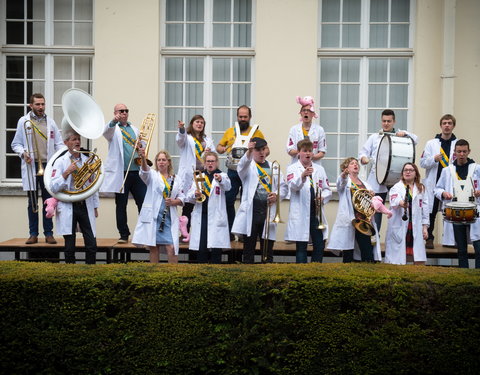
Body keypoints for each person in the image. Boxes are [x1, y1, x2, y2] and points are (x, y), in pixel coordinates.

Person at [11, 93, 64, 245]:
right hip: (31, 165)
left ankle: (49, 233)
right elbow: (16, 144)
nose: (41, 107)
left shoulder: (51, 122)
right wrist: (23, 153)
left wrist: (62, 158)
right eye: (37, 104)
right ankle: (33, 233)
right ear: (31, 106)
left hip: (48, 166)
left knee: (49, 201)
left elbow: (59, 144)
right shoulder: (24, 121)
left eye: (42, 104)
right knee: (32, 202)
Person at [359, 109, 418, 232]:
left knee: (398, 209)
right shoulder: (374, 137)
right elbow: (363, 153)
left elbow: (415, 139)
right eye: (384, 121)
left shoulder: (400, 135)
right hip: (377, 179)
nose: (386, 123)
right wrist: (364, 159)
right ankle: (375, 239)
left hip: (396, 180)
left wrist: (404, 133)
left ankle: (399, 238)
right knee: (375, 210)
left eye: (389, 121)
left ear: (394, 121)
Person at [231, 137, 288, 263]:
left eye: (263, 149)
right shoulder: (248, 166)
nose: (261, 153)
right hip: (252, 212)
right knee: (248, 250)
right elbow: (241, 166)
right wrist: (248, 152)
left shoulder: (274, 167)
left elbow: (283, 187)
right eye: (258, 150)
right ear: (252, 151)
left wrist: (277, 195)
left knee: (267, 251)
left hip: (268, 211)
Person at [48, 129, 99, 264]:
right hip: (68, 205)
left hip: (84, 205)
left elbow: (93, 186)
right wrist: (66, 173)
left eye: (78, 139)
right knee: (69, 246)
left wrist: (95, 206)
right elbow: (53, 187)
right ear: (66, 143)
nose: (77, 142)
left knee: (91, 244)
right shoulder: (60, 162)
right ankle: (71, 274)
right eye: (73, 139)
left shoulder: (87, 160)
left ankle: (91, 272)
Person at [216, 106, 265, 238]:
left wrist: (260, 153)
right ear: (237, 117)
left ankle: (246, 233)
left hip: (249, 173)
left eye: (245, 117)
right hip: (232, 171)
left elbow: (266, 150)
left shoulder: (257, 133)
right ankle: (231, 231)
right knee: (228, 200)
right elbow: (219, 147)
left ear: (250, 117)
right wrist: (223, 148)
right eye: (240, 117)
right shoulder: (230, 131)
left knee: (248, 202)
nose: (243, 119)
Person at [101, 103, 147, 243]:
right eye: (121, 111)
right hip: (120, 173)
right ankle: (124, 234)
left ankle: (144, 233)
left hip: (136, 172)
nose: (124, 113)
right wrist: (114, 121)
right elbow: (106, 133)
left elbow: (142, 144)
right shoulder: (113, 128)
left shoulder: (134, 129)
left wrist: (141, 149)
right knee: (121, 205)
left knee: (143, 203)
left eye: (126, 110)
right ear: (115, 112)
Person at [132, 148, 184, 263]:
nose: (161, 162)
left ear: (168, 162)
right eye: (159, 160)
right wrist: (143, 158)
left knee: (172, 248)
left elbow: (182, 196)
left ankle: (173, 276)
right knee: (154, 248)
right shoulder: (152, 175)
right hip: (154, 218)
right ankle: (154, 277)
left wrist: (174, 202)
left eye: (164, 160)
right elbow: (144, 171)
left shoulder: (176, 179)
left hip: (169, 218)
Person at [434, 139, 480, 268]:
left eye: (464, 151)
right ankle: (464, 275)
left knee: (478, 248)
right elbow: (437, 189)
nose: (461, 154)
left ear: (469, 152)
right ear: (454, 152)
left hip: (475, 212)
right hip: (456, 212)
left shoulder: (477, 169)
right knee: (461, 249)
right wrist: (443, 193)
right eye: (459, 151)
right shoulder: (447, 171)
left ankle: (477, 276)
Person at [285, 139, 331, 263]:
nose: (308, 153)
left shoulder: (319, 169)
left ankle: (315, 271)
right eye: (304, 151)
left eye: (310, 151)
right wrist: (302, 176)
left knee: (319, 245)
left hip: (315, 213)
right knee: (301, 247)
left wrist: (323, 198)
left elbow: (327, 189)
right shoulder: (292, 168)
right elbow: (293, 186)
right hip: (300, 213)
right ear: (298, 153)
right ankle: (301, 274)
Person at [328, 157, 381, 262]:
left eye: (356, 163)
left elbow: (372, 203)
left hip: (363, 221)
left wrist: (372, 196)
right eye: (352, 163)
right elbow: (340, 183)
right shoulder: (345, 181)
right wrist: (344, 174)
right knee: (348, 252)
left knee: (366, 249)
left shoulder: (366, 185)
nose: (355, 165)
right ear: (346, 167)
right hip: (350, 220)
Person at [186, 151, 231, 263]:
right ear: (204, 163)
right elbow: (189, 197)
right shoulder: (199, 177)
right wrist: (194, 194)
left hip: (216, 216)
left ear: (217, 162)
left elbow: (228, 187)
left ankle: (216, 273)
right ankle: (202, 271)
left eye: (212, 161)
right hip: (202, 215)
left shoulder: (222, 175)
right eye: (208, 161)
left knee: (216, 247)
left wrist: (220, 180)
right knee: (202, 247)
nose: (210, 163)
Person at [420, 114, 457, 249]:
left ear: (453, 126)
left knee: (451, 212)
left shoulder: (457, 143)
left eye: (449, 123)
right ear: (440, 125)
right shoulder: (431, 143)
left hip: (450, 184)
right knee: (431, 211)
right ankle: (429, 238)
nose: (447, 125)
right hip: (433, 183)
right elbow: (422, 163)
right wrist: (434, 159)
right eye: (444, 123)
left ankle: (451, 240)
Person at [385, 163, 429, 265]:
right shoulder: (396, 187)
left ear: (416, 173)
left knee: (418, 259)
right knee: (398, 260)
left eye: (411, 170)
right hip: (401, 225)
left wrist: (425, 227)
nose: (408, 172)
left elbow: (425, 209)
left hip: (416, 226)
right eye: (405, 170)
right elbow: (394, 200)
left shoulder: (421, 188)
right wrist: (402, 203)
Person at [177, 115, 216, 231]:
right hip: (190, 174)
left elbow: (213, 156)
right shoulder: (187, 137)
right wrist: (181, 130)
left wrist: (209, 152)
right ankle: (185, 232)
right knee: (188, 205)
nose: (199, 124)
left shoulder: (207, 140)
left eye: (202, 123)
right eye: (197, 122)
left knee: (204, 202)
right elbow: (180, 140)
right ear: (192, 124)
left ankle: (203, 233)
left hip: (203, 175)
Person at [286, 96, 327, 166]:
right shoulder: (294, 129)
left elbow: (322, 151)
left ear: (313, 114)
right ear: (301, 113)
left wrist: (310, 157)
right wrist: (301, 153)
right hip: (297, 165)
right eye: (304, 110)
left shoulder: (319, 130)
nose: (306, 112)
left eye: (309, 110)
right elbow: (289, 150)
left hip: (314, 166)